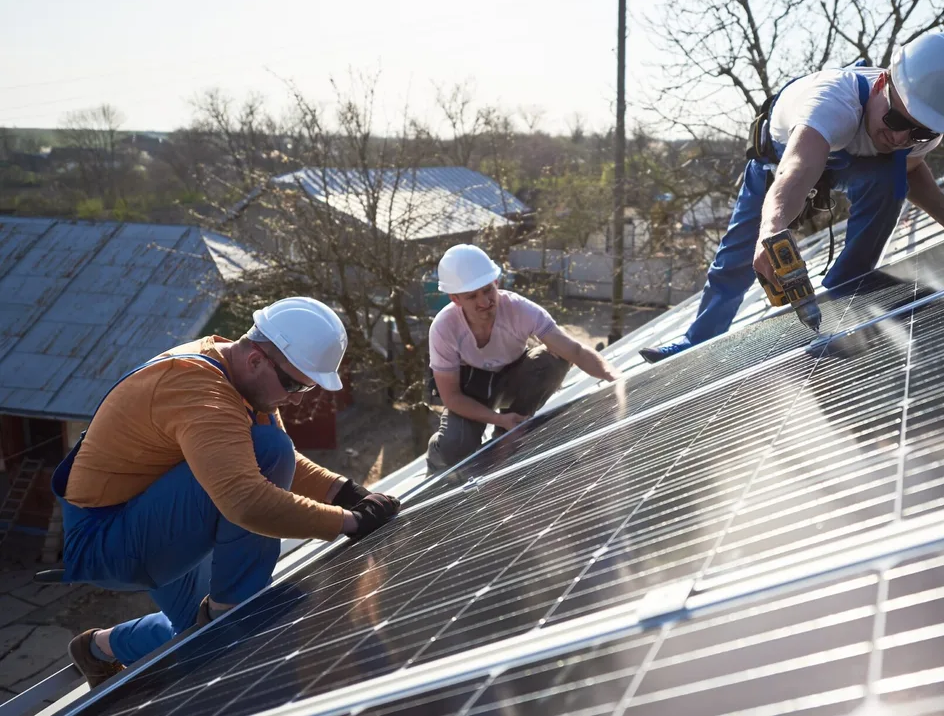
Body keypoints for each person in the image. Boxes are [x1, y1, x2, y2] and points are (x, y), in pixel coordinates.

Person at [56, 297, 399, 688]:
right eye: (294, 384)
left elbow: (261, 457)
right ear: (256, 359)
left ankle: (98, 648)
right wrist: (349, 522)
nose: (298, 398)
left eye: (306, 387)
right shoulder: (199, 390)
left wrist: (345, 491)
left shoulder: (237, 371)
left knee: (198, 632)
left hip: (150, 512)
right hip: (107, 538)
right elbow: (248, 498)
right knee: (231, 626)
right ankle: (236, 607)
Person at [640, 32, 944, 363]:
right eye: (897, 122)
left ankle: (848, 283)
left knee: (890, 175)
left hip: (847, 161)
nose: (901, 138)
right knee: (737, 259)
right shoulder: (833, 103)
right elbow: (797, 171)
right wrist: (771, 231)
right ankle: (696, 341)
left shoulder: (925, 128)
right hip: (777, 162)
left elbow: (910, 170)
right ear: (884, 82)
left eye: (918, 132)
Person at [425, 245, 620, 473]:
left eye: (488, 290)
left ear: (496, 283)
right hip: (471, 392)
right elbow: (452, 397)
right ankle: (439, 454)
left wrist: (612, 375)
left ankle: (512, 428)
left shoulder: (519, 310)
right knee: (455, 448)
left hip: (512, 379)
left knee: (554, 359)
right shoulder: (443, 328)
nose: (484, 301)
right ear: (456, 299)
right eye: (472, 296)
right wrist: (496, 419)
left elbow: (574, 350)